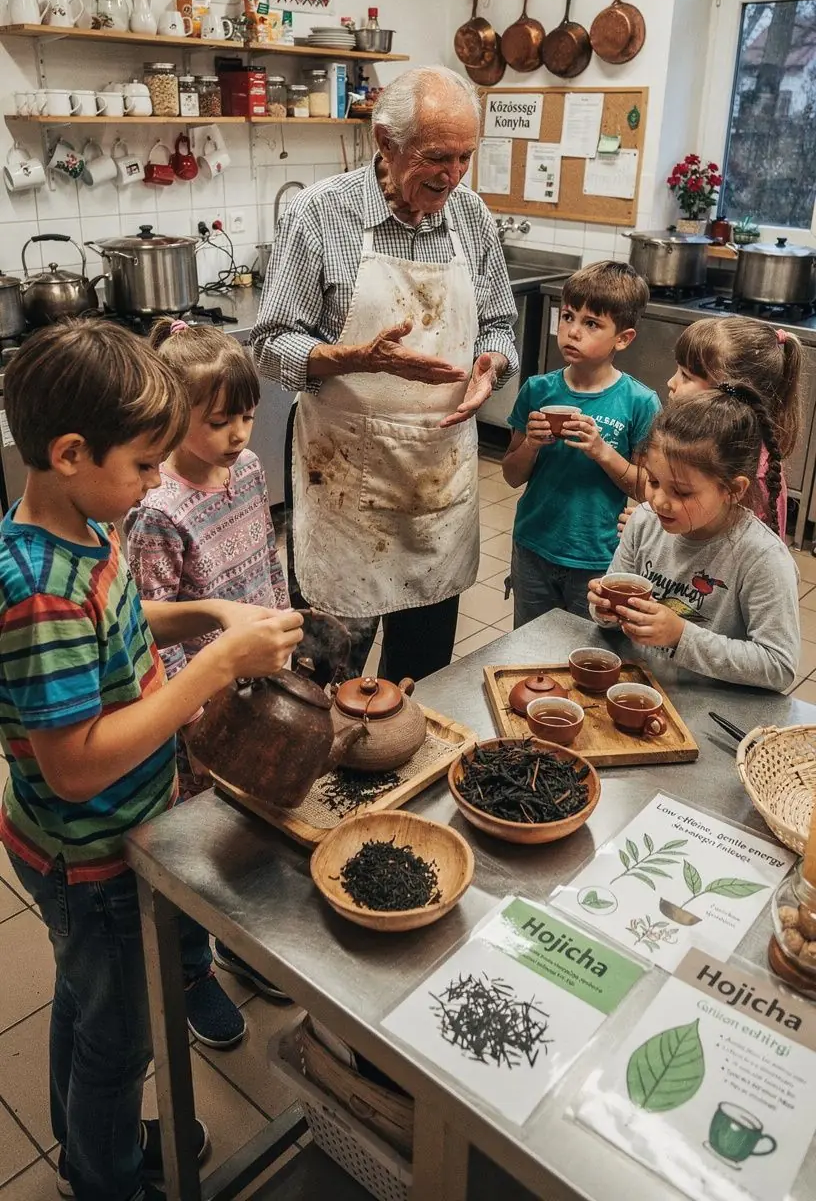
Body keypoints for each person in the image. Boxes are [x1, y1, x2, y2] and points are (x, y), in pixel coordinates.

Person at [0, 320, 303, 1201]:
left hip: (114, 835)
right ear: (68, 452)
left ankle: (85, 1139)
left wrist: (209, 615)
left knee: (86, 1007)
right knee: (120, 1040)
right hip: (85, 854)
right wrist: (211, 672)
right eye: (141, 466)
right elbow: (76, 767)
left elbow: (132, 622)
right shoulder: (39, 593)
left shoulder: (88, 526)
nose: (150, 486)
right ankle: (104, 1179)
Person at [251, 65, 518, 681]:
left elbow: (500, 324)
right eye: (436, 158)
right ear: (385, 143)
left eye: (465, 158)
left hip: (439, 480)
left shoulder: (471, 218)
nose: (452, 176)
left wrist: (491, 365)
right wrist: (355, 359)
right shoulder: (320, 215)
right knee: (324, 680)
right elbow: (269, 345)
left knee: (422, 677)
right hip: (344, 480)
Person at [125, 320, 291, 1051]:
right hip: (195, 708)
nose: (237, 435)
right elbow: (145, 633)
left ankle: (237, 942)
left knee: (248, 819)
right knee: (192, 844)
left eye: (247, 416)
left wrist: (286, 627)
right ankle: (192, 971)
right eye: (218, 421)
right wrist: (185, 718)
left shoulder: (250, 471)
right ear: (170, 421)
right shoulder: (157, 512)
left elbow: (265, 555)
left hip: (256, 683)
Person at [589, 386, 800, 692]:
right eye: (653, 481)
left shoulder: (761, 558)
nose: (659, 501)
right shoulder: (645, 522)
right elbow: (613, 615)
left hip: (711, 706)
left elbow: (779, 666)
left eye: (682, 492)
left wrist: (680, 636)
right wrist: (605, 609)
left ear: (733, 489)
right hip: (643, 690)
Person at [502, 261, 660, 624]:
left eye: (591, 324)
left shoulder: (640, 402)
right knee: (529, 651)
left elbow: (647, 491)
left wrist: (602, 452)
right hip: (533, 549)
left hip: (599, 557)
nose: (573, 332)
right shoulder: (538, 390)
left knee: (586, 652)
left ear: (623, 338)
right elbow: (511, 475)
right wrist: (531, 446)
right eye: (568, 316)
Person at [619, 315, 803, 536]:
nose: (671, 382)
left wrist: (654, 530)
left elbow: (718, 550)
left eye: (686, 376)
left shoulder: (750, 473)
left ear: (732, 393)